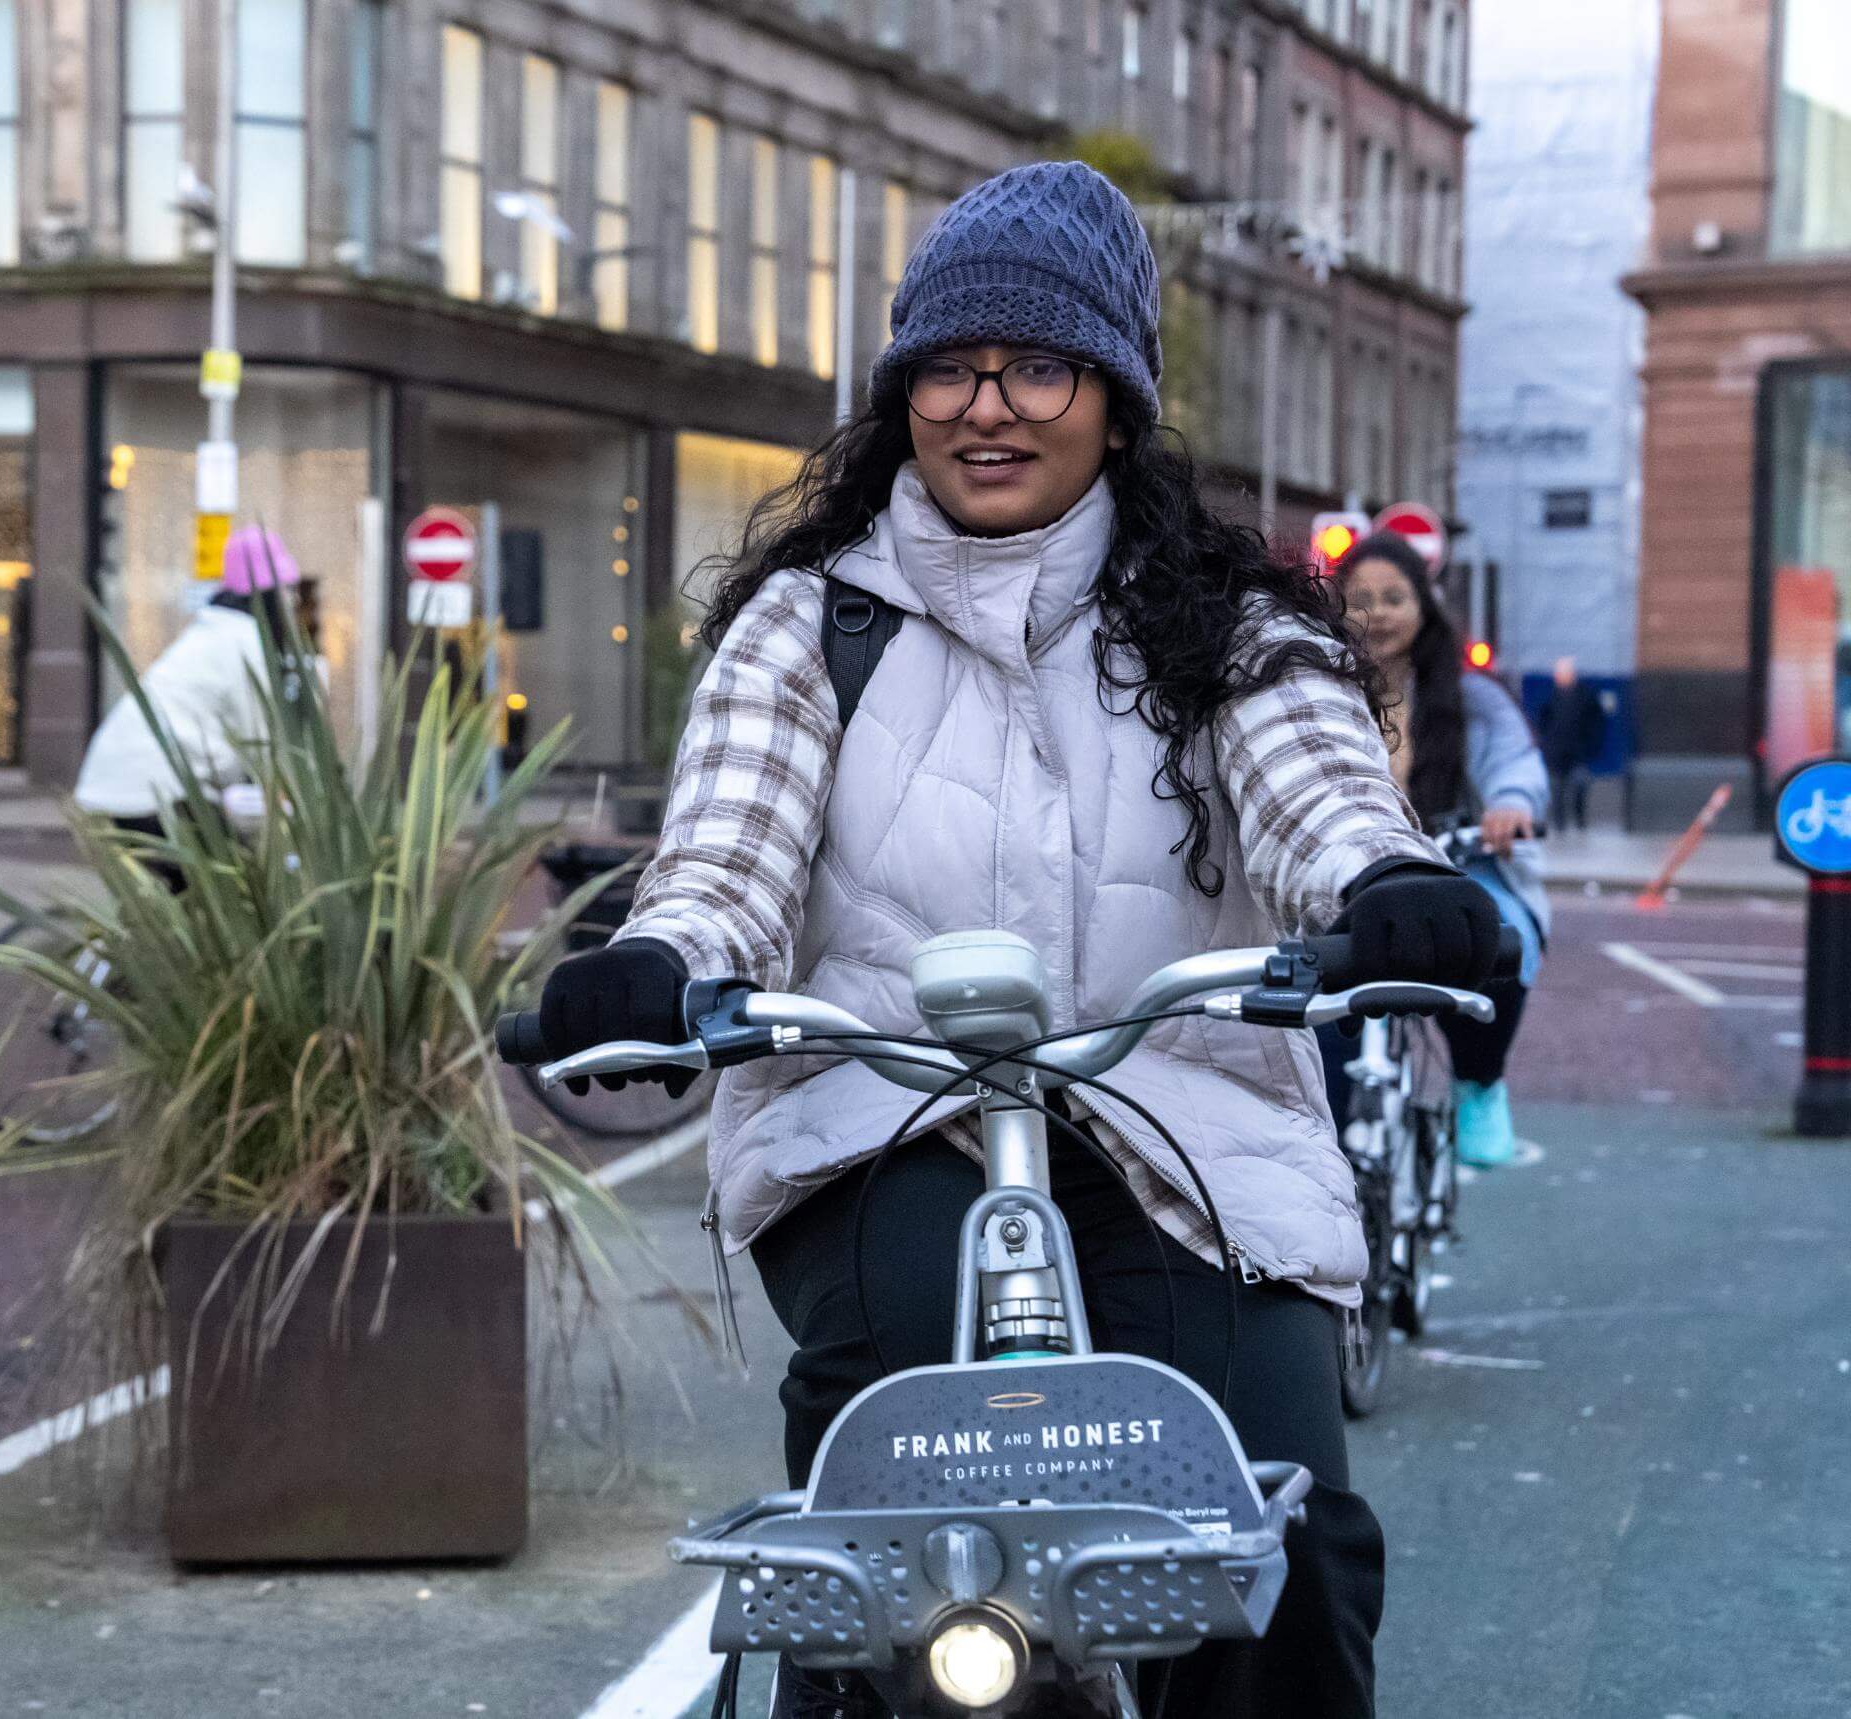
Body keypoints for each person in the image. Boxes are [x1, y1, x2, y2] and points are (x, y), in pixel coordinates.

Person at [532, 162, 1498, 1719]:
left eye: (1039, 365)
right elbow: (726, 846)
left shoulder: (1234, 616)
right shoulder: (809, 620)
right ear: (900, 391)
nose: (990, 406)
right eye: (948, 366)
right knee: (889, 1488)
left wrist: (1383, 882)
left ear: (1116, 397)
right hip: (876, 1120)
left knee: (1273, 1514)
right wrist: (662, 959)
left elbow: (1322, 794)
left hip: (1183, 1120)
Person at [1335, 534, 1549, 1170]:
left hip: (1458, 864)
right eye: (1360, 599)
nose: (1377, 613)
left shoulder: (1471, 697)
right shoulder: (1317, 688)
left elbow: (1516, 761)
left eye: (1394, 598)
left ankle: (1479, 1083)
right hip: (1345, 877)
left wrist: (1511, 807)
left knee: (1498, 944)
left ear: (1425, 606)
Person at [73, 525, 318, 869]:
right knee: (231, 884)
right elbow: (257, 746)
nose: (293, 599)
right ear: (267, 593)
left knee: (194, 886)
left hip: (119, 786)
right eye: (287, 588)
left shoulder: (215, 630)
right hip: (156, 794)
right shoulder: (248, 643)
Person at [1536, 655, 1605, 833]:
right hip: (1556, 753)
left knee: (1579, 786)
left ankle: (1579, 819)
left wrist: (1591, 745)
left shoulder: (1585, 696)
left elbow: (1595, 723)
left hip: (1578, 752)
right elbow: (1544, 722)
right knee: (1557, 789)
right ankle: (1560, 824)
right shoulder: (1552, 697)